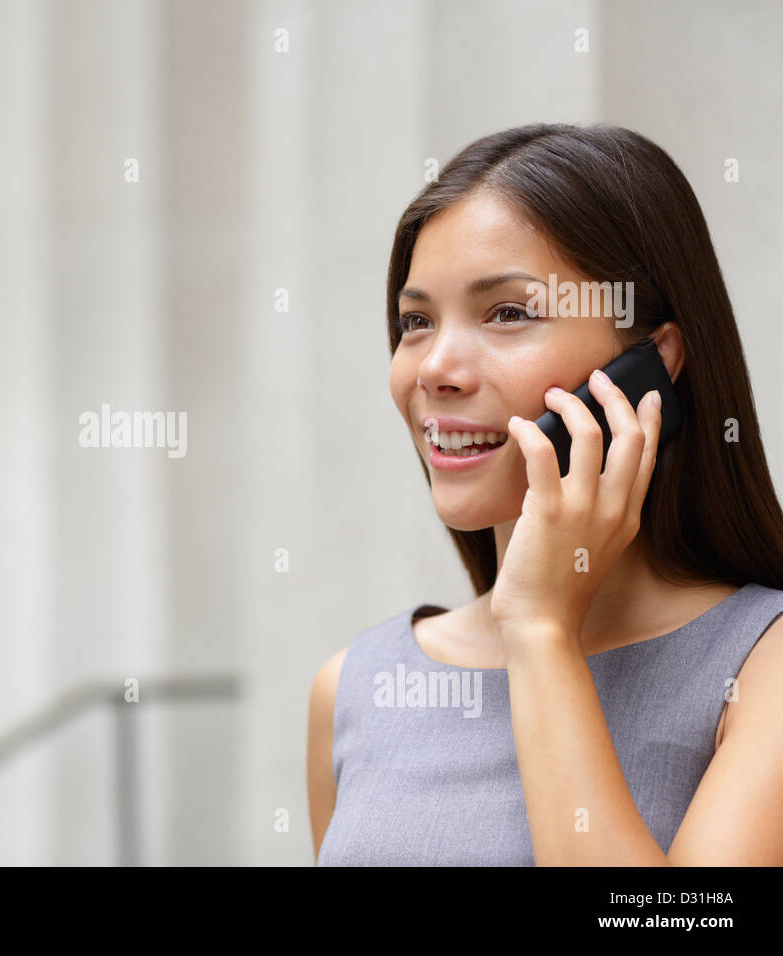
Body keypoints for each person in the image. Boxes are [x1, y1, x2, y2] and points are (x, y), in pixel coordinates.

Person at [308, 123, 783, 865]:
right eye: (415, 321)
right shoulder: (356, 688)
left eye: (508, 313)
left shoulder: (764, 670)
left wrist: (539, 629)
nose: (436, 367)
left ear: (651, 365)